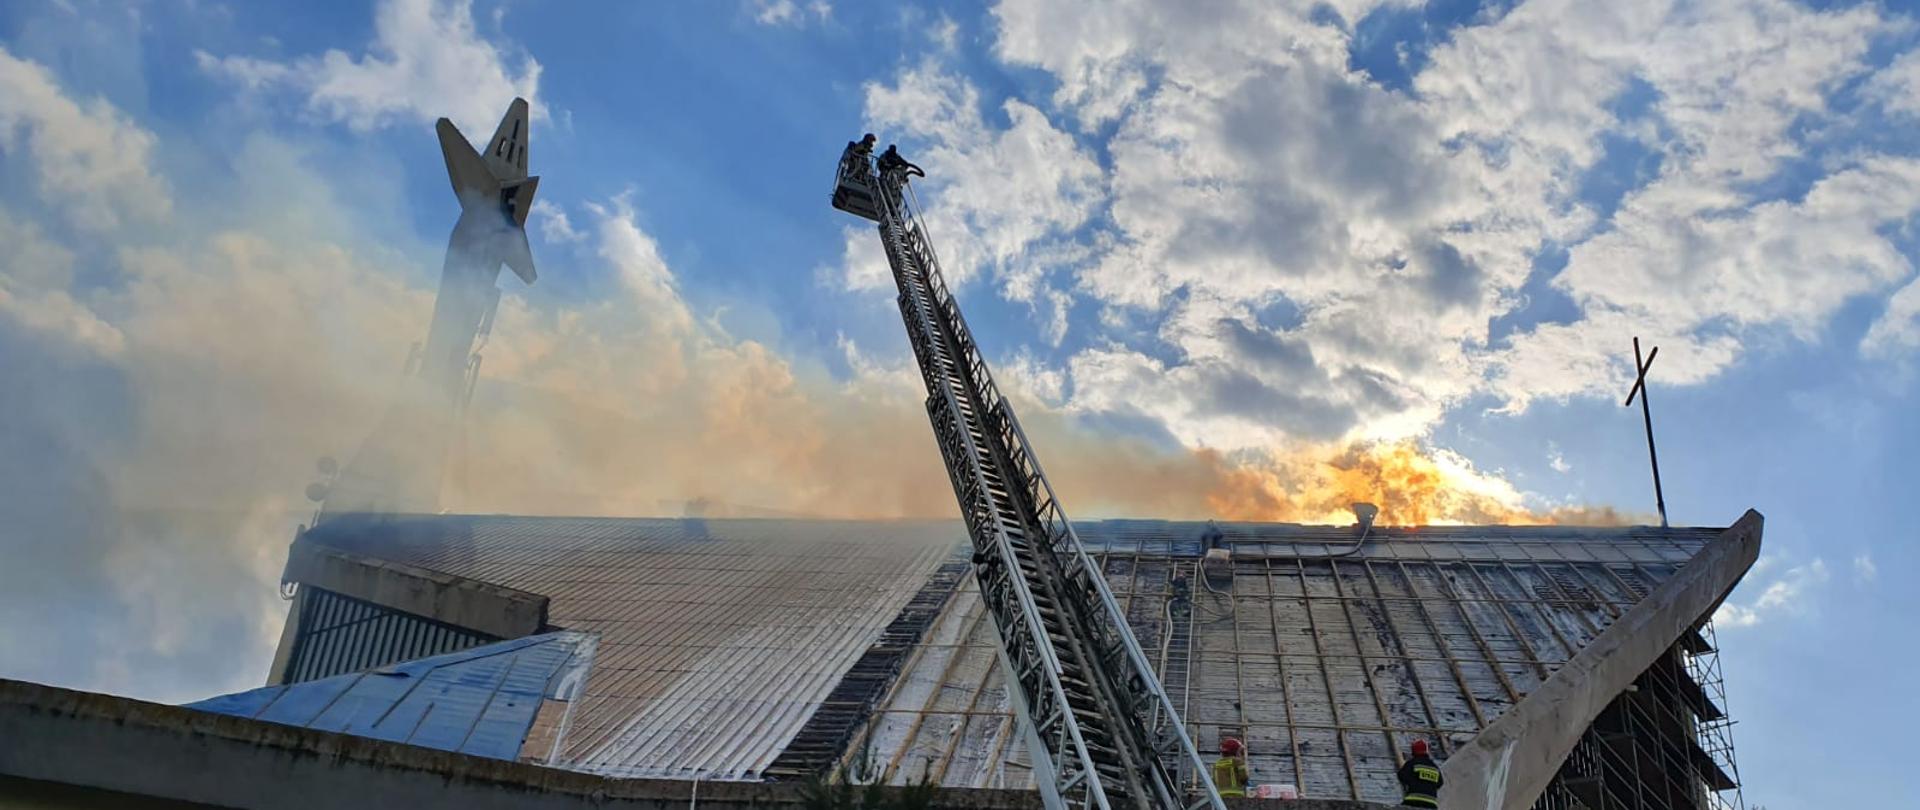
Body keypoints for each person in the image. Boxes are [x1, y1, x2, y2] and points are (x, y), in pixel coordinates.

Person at [1397, 739, 1443, 808]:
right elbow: (1440, 783)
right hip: (1431, 803)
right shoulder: (1434, 767)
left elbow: (1401, 775)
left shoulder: (1412, 763)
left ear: (1413, 751)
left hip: (1413, 800)